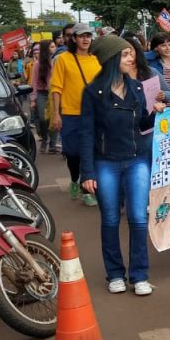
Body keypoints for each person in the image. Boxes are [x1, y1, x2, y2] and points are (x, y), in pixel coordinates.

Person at [80, 35, 163, 296]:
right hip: (105, 163)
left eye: (131, 54)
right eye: (126, 54)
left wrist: (155, 113)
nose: (132, 58)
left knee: (139, 218)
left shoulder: (137, 88)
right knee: (111, 219)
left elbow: (140, 127)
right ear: (112, 59)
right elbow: (87, 133)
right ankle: (115, 274)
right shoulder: (93, 92)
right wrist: (88, 172)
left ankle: (139, 276)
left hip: (137, 160)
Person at [51, 22, 101, 206]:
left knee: (89, 151)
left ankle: (85, 187)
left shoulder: (97, 59)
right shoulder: (63, 59)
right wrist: (56, 114)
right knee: (72, 152)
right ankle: (74, 178)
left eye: (88, 35)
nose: (85, 39)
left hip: (94, 114)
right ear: (74, 38)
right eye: (81, 36)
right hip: (70, 113)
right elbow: (56, 88)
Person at [30, 38, 59, 154]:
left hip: (54, 93)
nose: (54, 49)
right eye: (52, 47)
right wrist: (33, 99)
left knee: (54, 119)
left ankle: (52, 144)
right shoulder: (37, 64)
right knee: (42, 118)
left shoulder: (57, 62)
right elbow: (34, 82)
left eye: (54, 46)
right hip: (42, 93)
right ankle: (44, 139)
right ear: (46, 49)